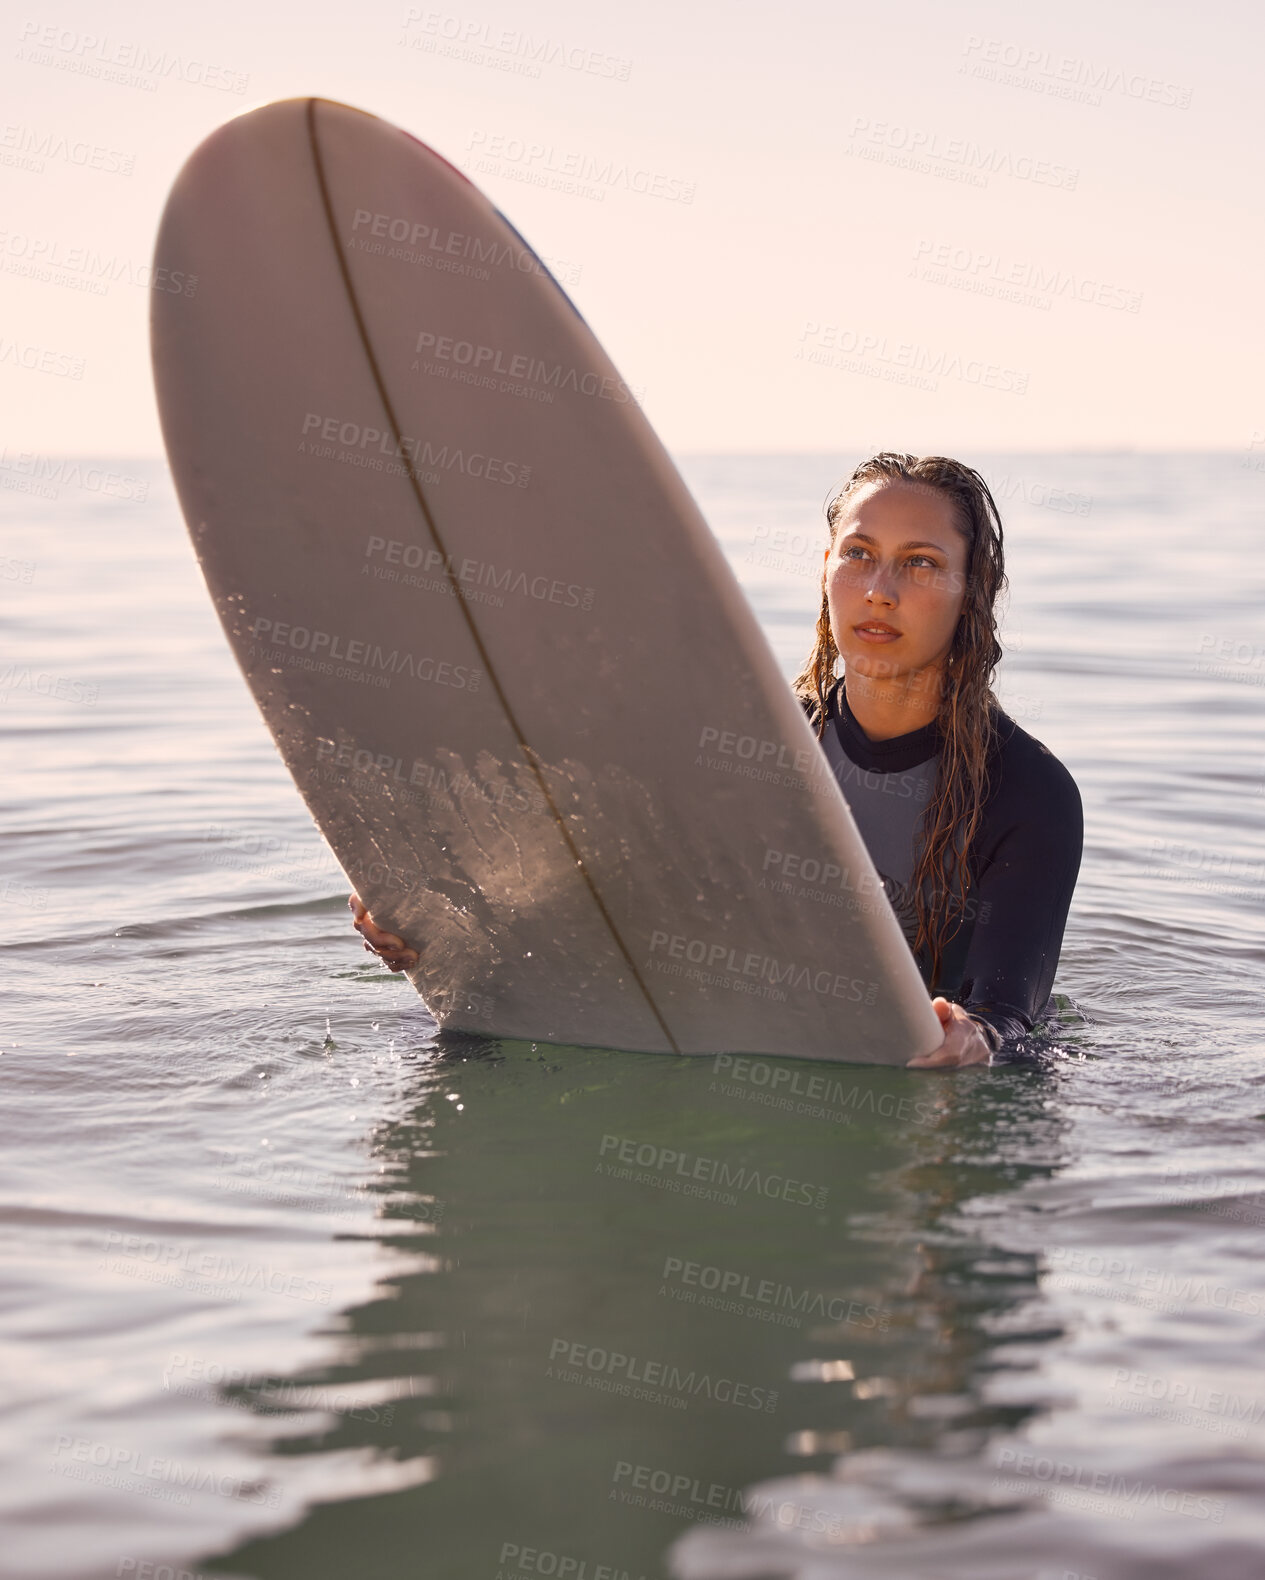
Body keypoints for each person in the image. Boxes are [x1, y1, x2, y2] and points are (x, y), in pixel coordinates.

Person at [351, 452, 1082, 1071]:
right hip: (741, 1047)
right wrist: (433, 922)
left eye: (919, 565)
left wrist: (972, 1040)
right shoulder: (746, 752)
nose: (879, 591)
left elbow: (1007, 1017)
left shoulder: (1027, 793)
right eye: (858, 555)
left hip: (909, 1085)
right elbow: (605, 912)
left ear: (970, 592)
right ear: (826, 569)